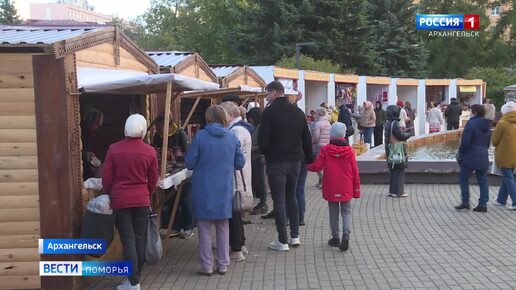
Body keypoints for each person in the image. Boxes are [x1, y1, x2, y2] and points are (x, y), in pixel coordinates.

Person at [185, 105, 245, 275]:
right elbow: (240, 163)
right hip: (224, 187)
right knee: (223, 225)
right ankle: (223, 264)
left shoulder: (200, 136)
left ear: (208, 118)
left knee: (204, 227)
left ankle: (206, 266)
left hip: (203, 187)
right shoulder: (232, 138)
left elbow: (189, 162)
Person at [102, 114, 159, 290]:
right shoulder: (150, 151)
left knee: (128, 239)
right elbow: (153, 180)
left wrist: (110, 192)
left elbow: (106, 178)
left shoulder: (114, 149)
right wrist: (146, 193)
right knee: (139, 238)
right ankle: (136, 277)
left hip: (121, 200)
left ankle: (133, 282)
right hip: (142, 200)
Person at [258, 81, 313, 251]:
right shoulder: (298, 112)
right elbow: (306, 137)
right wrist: (309, 158)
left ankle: (282, 240)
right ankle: (295, 236)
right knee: (292, 197)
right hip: (295, 161)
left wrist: (266, 155)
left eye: (267, 94)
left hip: (276, 161)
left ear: (274, 92)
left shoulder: (269, 112)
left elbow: (263, 139)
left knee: (279, 200)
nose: (267, 97)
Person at [307, 122, 360, 251]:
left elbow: (317, 166)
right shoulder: (349, 151)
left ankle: (335, 238)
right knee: (346, 211)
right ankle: (346, 235)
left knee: (333, 211)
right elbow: (355, 171)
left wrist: (306, 165)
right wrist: (356, 190)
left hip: (331, 186)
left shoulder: (326, 150)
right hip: (346, 185)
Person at [220, 101, 253, 261]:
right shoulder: (238, 129)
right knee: (236, 214)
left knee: (234, 213)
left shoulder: (237, 131)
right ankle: (241, 244)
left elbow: (233, 153)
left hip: (236, 177)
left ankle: (237, 248)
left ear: (230, 115)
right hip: (238, 175)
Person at [152, 116, 193, 239]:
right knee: (170, 200)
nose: (158, 130)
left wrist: (177, 158)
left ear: (168, 126)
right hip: (168, 171)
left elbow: (189, 155)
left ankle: (188, 227)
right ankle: (174, 227)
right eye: (156, 128)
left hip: (182, 172)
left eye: (160, 127)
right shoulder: (157, 137)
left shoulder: (181, 134)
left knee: (185, 201)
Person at [454, 105, 491, 212]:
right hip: (483, 154)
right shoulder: (487, 125)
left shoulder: (471, 123)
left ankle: (465, 202)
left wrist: (461, 152)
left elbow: (466, 141)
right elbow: (488, 143)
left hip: (470, 155)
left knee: (463, 178)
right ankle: (483, 204)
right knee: (483, 180)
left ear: (474, 112)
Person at [492, 102, 516, 210]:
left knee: (508, 177)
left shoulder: (502, 123)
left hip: (506, 155)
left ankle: (515, 202)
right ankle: (501, 200)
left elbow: (494, 141)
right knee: (508, 177)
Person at [384, 105, 411, 198]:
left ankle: (392, 191)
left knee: (393, 170)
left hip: (390, 149)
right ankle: (399, 192)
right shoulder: (394, 123)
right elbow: (400, 136)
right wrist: (408, 134)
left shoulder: (388, 122)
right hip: (397, 150)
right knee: (399, 170)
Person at [247, 108, 268, 215]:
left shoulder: (261, 127)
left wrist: (251, 148)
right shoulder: (258, 127)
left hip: (258, 157)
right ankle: (262, 203)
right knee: (259, 181)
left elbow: (262, 143)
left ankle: (263, 204)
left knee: (261, 182)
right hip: (256, 157)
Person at [312, 108, 331, 188]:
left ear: (318, 114)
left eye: (315, 114)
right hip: (327, 145)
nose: (314, 115)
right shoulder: (328, 123)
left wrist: (312, 142)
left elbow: (316, 136)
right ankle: (322, 181)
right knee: (325, 164)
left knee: (317, 163)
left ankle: (322, 179)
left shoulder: (318, 124)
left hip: (319, 145)